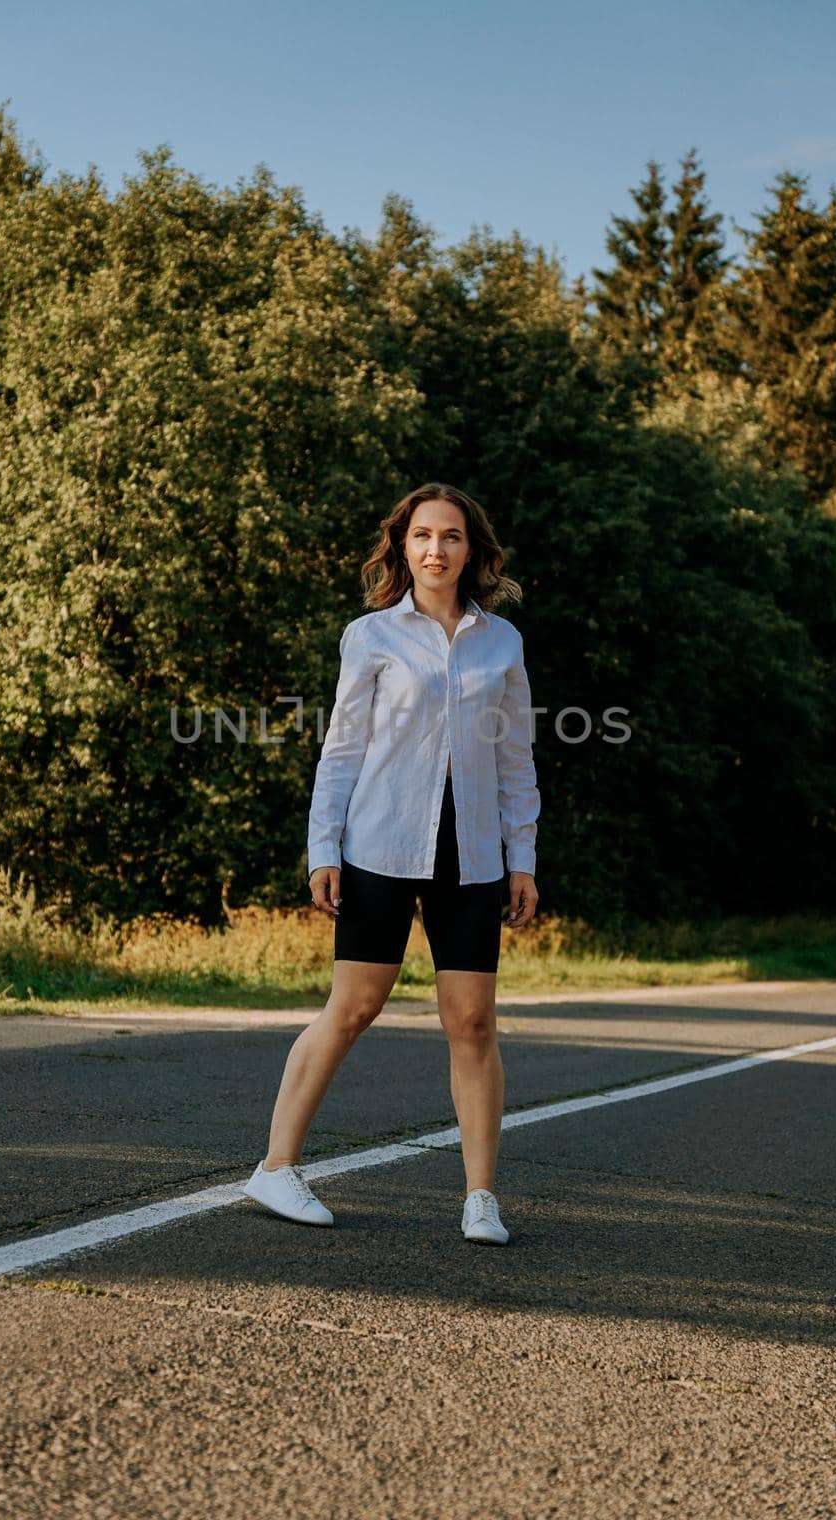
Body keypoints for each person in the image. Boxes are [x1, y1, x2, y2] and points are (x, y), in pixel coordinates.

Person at [242, 482, 540, 1244]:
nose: (435, 549)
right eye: (421, 537)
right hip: (378, 845)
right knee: (354, 1007)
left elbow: (515, 759)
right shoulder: (370, 636)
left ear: (471, 550)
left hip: (470, 856)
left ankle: (480, 1198)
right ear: (402, 548)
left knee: (471, 1022)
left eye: (449, 537)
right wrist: (323, 850)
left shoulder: (500, 642)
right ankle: (275, 1168)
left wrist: (522, 857)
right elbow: (341, 749)